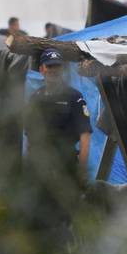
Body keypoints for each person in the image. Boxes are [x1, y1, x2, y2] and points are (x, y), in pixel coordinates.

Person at [28, 48, 92, 177]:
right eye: (49, 66)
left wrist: (82, 169)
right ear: (41, 69)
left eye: (57, 66)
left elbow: (85, 134)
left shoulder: (74, 97)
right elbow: (29, 134)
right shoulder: (35, 97)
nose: (54, 70)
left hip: (66, 167)